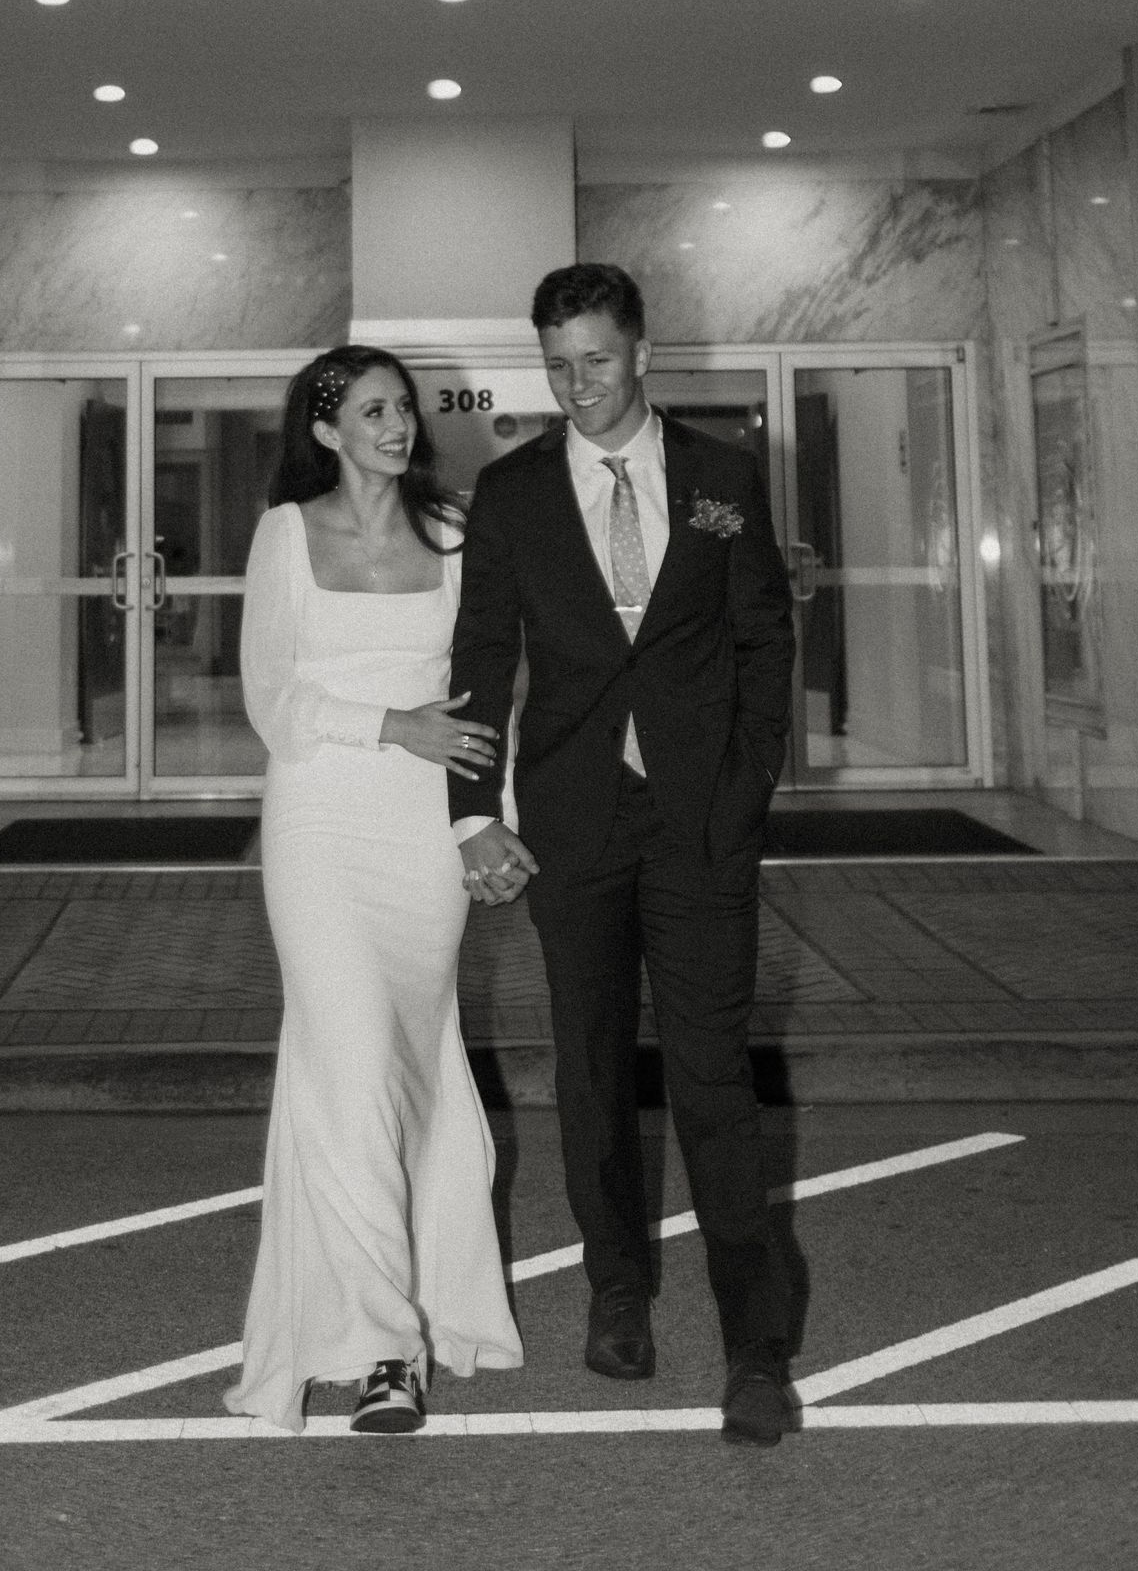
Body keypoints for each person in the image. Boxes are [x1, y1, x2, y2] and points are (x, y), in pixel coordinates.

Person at [447, 263, 798, 1447]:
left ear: (642, 352)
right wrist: (468, 811)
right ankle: (617, 1293)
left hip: (700, 825)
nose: (576, 385)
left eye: (595, 360)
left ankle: (756, 1345)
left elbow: (763, 642)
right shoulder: (513, 494)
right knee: (591, 1069)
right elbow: (481, 660)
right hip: (574, 820)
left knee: (712, 1079)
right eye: (556, 365)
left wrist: (744, 798)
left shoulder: (721, 481)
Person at [225, 345, 524, 1437]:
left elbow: (493, 690)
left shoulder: (454, 533)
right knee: (348, 1064)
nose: (398, 424)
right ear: (323, 429)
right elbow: (270, 695)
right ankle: (384, 1350)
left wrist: (491, 820)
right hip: (318, 816)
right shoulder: (286, 535)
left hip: (421, 834)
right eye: (373, 410)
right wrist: (391, 725)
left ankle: (427, 1302)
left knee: (410, 1065)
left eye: (404, 407)